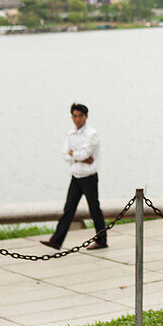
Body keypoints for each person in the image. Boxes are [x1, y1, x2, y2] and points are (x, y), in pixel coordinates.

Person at [41, 103, 107, 250]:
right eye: (75, 116)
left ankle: (102, 241)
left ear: (86, 117)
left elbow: (85, 154)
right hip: (76, 177)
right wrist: (78, 157)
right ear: (72, 117)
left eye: (80, 116)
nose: (77, 119)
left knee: (94, 209)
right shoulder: (70, 134)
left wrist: (75, 155)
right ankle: (56, 241)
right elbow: (65, 154)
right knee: (68, 209)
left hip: (89, 177)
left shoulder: (91, 134)